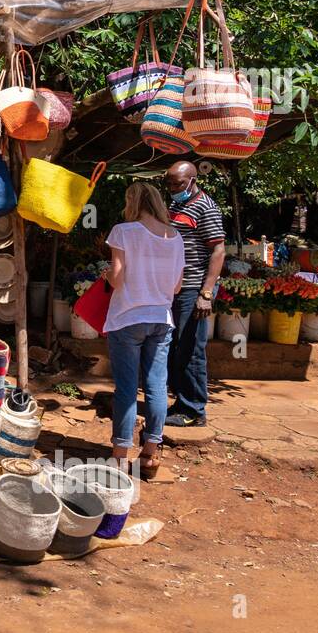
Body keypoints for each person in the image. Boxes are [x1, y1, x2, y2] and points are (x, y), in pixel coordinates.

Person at [104, 182, 184, 477]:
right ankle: (150, 455)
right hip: (161, 319)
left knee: (126, 388)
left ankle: (119, 459)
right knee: (156, 386)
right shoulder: (175, 237)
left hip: (127, 317)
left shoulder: (124, 231)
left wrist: (105, 275)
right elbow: (177, 286)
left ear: (132, 202)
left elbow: (117, 278)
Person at [163, 159, 226, 427]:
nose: (172, 188)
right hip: (175, 289)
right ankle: (181, 401)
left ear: (192, 180)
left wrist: (207, 292)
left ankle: (194, 410)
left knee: (191, 349)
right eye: (168, 184)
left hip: (193, 289)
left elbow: (218, 251)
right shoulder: (177, 205)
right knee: (176, 347)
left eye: (177, 184)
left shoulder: (206, 207)